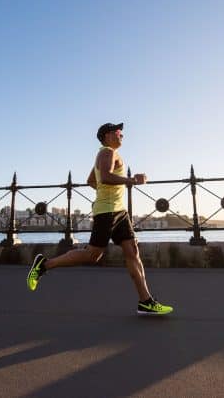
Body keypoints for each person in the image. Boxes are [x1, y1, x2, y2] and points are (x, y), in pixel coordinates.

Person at [27, 122, 173, 316]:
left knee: (132, 250)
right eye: (118, 132)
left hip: (119, 212)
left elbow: (91, 181)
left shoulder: (107, 154)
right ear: (107, 135)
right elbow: (104, 177)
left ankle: (145, 301)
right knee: (93, 255)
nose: (122, 135)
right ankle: (43, 265)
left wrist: (107, 194)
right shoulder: (107, 152)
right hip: (107, 213)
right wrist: (132, 181)